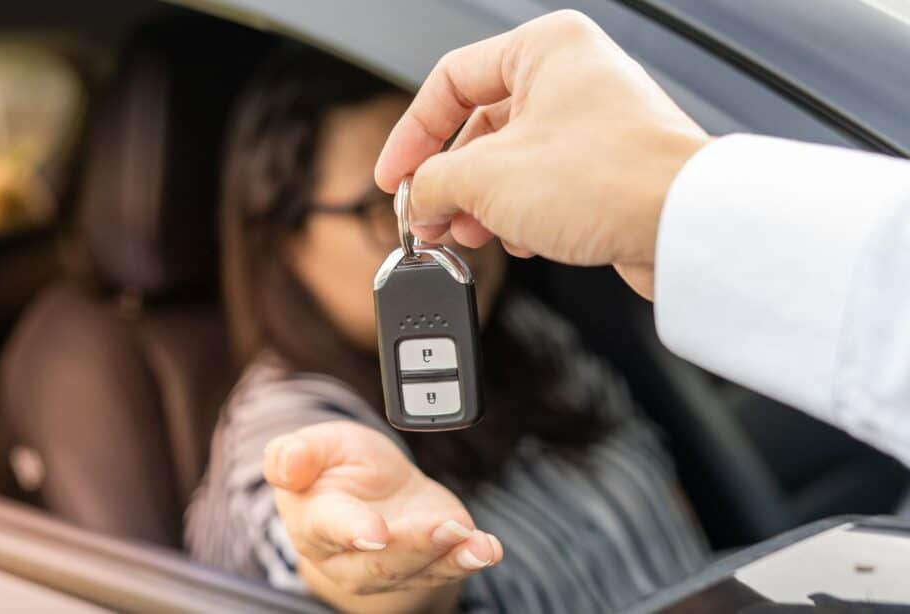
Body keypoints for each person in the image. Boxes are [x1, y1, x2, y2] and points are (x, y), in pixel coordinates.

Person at [186, 45, 707, 613]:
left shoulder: (524, 333)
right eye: (387, 207)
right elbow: (336, 557)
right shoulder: (285, 422)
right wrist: (388, 552)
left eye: (452, 186)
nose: (443, 233)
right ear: (284, 238)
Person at [374, 10, 910, 469]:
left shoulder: (546, 340)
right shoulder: (313, 413)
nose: (465, 235)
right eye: (371, 207)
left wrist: (666, 198)